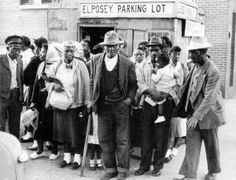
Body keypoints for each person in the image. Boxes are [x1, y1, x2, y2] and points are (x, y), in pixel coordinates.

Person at [173, 37, 225, 180]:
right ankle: (190, 175)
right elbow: (188, 86)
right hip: (192, 113)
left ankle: (213, 172)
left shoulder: (213, 71)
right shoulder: (195, 66)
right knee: (192, 145)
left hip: (209, 114)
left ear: (203, 52)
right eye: (190, 52)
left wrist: (197, 116)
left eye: (194, 53)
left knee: (211, 145)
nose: (191, 55)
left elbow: (210, 98)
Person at [89, 31, 137, 180]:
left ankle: (123, 170)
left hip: (120, 106)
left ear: (118, 47)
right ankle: (110, 169)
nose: (111, 49)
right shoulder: (95, 60)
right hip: (103, 106)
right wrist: (91, 100)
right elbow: (91, 81)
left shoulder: (127, 63)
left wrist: (128, 100)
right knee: (104, 138)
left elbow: (133, 85)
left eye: (114, 46)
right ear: (104, 47)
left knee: (122, 139)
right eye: (108, 46)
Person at [135, 37, 175, 177]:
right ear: (147, 50)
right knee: (146, 137)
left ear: (161, 50)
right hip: (148, 103)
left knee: (161, 138)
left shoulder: (168, 65)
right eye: (151, 49)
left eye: (156, 49)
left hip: (164, 104)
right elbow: (139, 82)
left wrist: (165, 94)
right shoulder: (142, 65)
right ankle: (144, 166)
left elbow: (177, 83)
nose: (153, 52)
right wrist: (151, 92)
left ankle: (157, 166)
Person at [49, 41, 90, 170]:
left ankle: (77, 158)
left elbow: (87, 85)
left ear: (75, 52)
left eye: (71, 51)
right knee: (63, 131)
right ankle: (66, 157)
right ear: (62, 53)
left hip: (75, 104)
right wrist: (53, 86)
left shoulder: (81, 65)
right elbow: (48, 82)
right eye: (66, 51)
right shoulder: (57, 65)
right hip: (60, 104)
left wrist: (86, 103)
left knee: (76, 132)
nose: (69, 54)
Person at [29, 43, 60, 160]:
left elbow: (59, 83)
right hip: (41, 100)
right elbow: (36, 85)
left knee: (54, 126)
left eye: (43, 52)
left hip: (53, 99)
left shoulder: (58, 65)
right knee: (40, 125)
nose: (40, 54)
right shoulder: (41, 65)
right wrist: (33, 101)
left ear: (50, 53)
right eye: (41, 52)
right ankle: (40, 150)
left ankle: (55, 150)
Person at [23, 37, 48, 150]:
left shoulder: (36, 60)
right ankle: (44, 141)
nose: (38, 51)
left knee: (34, 116)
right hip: (41, 92)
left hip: (34, 90)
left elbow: (25, 75)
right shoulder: (43, 61)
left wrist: (29, 84)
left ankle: (35, 140)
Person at [165, 46, 187, 162]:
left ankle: (174, 148)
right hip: (167, 100)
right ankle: (168, 149)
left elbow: (186, 83)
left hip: (178, 101)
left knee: (179, 126)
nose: (177, 56)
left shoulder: (182, 67)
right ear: (170, 54)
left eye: (178, 54)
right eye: (175, 54)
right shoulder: (166, 66)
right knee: (169, 126)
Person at [0, 35, 24, 138]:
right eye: (14, 49)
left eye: (19, 49)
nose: (17, 52)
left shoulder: (19, 61)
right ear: (7, 48)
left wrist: (21, 95)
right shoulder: (1, 60)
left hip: (15, 96)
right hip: (2, 97)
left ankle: (15, 147)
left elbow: (20, 79)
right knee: (1, 124)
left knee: (15, 124)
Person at [88, 43, 104, 171]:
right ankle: (91, 160)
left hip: (105, 106)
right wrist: (91, 101)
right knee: (92, 135)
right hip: (95, 104)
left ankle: (99, 159)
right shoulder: (92, 63)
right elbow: (91, 83)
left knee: (101, 137)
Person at [20, 35, 36, 143]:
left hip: (28, 85)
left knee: (29, 109)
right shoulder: (23, 54)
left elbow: (28, 71)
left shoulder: (29, 55)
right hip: (25, 85)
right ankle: (27, 131)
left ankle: (29, 133)